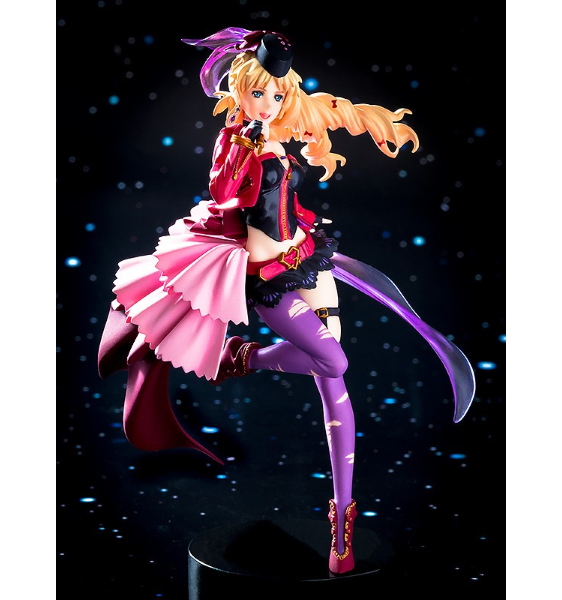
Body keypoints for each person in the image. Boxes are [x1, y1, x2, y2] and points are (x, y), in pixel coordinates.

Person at [98, 28, 476, 575]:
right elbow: (226, 193)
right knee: (334, 360)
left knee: (332, 376)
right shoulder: (235, 143)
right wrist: (250, 148)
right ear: (238, 92)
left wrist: (343, 126)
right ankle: (246, 357)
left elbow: (318, 124)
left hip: (305, 254)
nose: (268, 103)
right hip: (266, 276)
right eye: (258, 94)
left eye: (276, 95)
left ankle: (341, 525)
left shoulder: (273, 130)